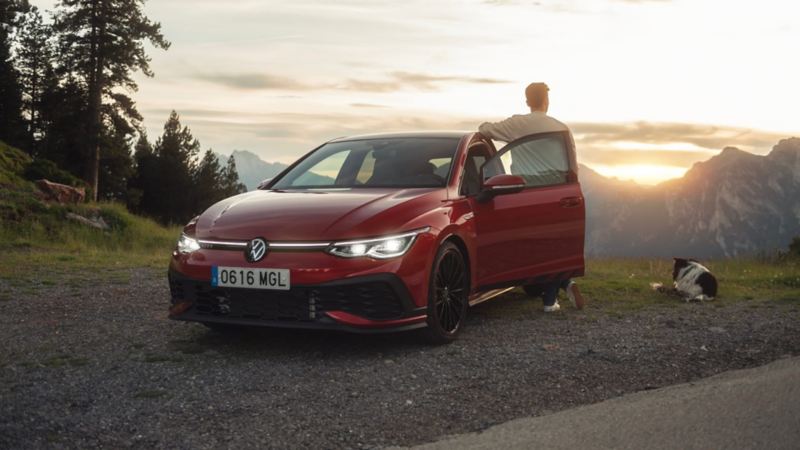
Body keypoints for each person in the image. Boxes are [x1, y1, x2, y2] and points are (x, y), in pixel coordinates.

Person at [478, 82, 585, 312]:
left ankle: (557, 287)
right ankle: (553, 297)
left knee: (529, 244)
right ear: (547, 101)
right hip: (556, 188)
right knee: (556, 247)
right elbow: (572, 164)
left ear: (527, 101)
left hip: (523, 190)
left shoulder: (517, 124)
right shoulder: (561, 128)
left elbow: (485, 129)